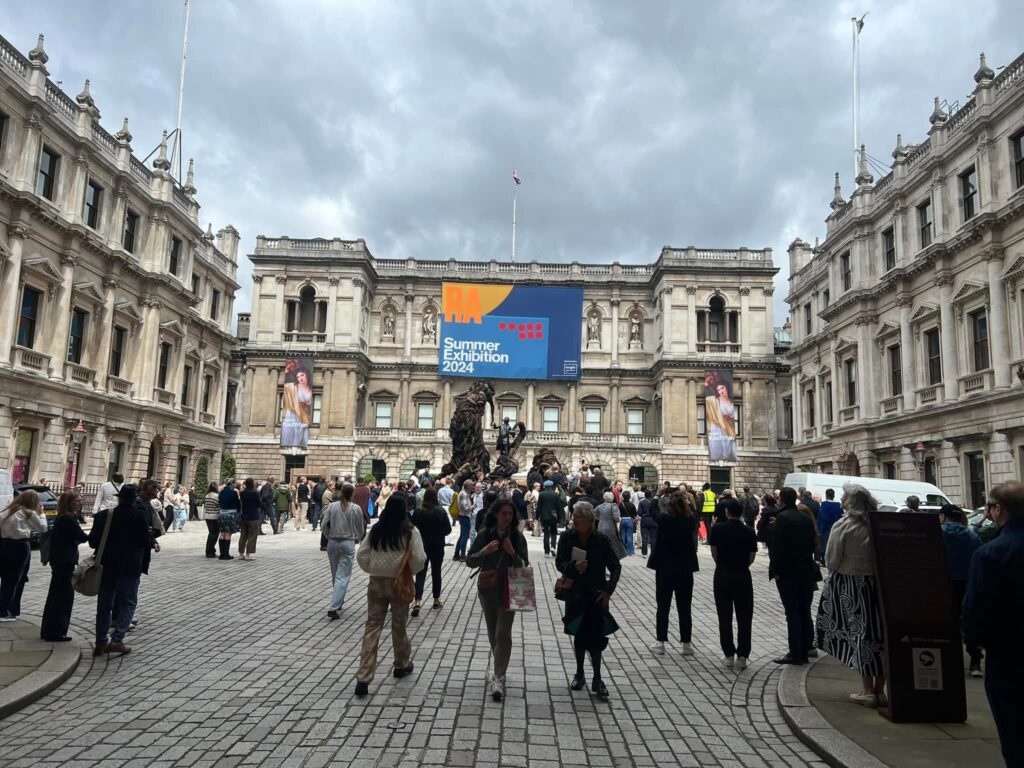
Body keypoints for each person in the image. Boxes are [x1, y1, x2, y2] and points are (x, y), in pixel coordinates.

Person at [963, 483, 1024, 767]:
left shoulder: (990, 553)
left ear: (999, 509)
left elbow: (974, 608)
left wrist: (974, 643)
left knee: (1014, 732)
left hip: (1008, 653)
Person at [815, 484, 886, 704]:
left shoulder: (843, 525)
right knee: (880, 634)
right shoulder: (878, 522)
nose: (842, 500)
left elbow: (832, 559)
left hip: (850, 584)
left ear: (851, 502)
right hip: (878, 584)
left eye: (844, 496)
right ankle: (880, 690)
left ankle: (867, 690)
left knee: (858, 633)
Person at [354, 495, 426, 697]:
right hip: (399, 583)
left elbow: (362, 555)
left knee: (372, 626)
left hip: (377, 582)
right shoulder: (410, 532)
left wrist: (373, 568)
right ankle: (401, 663)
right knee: (399, 625)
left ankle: (364, 676)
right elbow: (419, 559)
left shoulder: (377, 529)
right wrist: (408, 572)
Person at [555, 501, 621, 700]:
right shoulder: (567, 537)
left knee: (596, 636)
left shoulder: (600, 539)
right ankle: (579, 673)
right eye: (573, 516)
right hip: (575, 593)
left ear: (588, 520)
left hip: (596, 595)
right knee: (579, 634)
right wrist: (573, 567)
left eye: (577, 517)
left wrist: (608, 590)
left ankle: (598, 678)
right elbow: (560, 562)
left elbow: (615, 566)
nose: (573, 520)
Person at [466, 499, 529, 702]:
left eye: (510, 514)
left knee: (503, 633)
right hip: (488, 589)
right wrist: (484, 551)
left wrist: (512, 552)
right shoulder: (485, 534)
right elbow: (470, 560)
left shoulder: (517, 537)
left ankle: (498, 677)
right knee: (493, 631)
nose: (507, 517)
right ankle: (499, 665)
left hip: (511, 588)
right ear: (496, 514)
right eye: (504, 513)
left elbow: (524, 565)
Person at [91, 485, 152, 656]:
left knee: (104, 604)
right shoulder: (139, 516)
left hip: (107, 565)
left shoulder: (104, 516)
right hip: (130, 566)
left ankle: (100, 642)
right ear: (133, 499)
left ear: (119, 498)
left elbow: (93, 541)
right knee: (128, 602)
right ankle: (117, 639)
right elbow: (144, 541)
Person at [769, 487, 819, 665]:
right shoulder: (805, 518)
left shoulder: (782, 518)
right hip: (806, 570)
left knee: (792, 612)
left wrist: (776, 571)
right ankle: (805, 649)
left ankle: (795, 653)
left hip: (788, 572)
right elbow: (812, 544)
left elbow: (777, 548)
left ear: (781, 500)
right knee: (804, 610)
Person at [648, 491, 699, 656]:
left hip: (665, 567)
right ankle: (686, 644)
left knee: (663, 606)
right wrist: (688, 503)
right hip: (685, 568)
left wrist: (657, 496)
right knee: (685, 606)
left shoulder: (664, 519)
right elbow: (695, 513)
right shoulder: (690, 520)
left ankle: (660, 642)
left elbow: (652, 510)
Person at [709, 495, 757, 668]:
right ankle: (743, 655)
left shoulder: (718, 529)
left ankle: (728, 653)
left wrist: (722, 564)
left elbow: (714, 552)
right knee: (745, 616)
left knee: (724, 615)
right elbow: (752, 557)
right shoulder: (749, 531)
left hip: (723, 573)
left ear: (727, 512)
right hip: (742, 574)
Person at [938, 505, 983, 677]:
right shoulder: (972, 536)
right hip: (967, 583)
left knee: (947, 622)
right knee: (969, 621)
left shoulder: (938, 533)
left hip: (945, 583)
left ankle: (950, 660)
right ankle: (975, 661)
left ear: (943, 516)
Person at [40, 491, 89, 641]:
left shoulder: (63, 518)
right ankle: (56, 631)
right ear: (69, 503)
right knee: (63, 597)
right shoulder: (68, 519)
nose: (80, 503)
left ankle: (50, 630)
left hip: (60, 560)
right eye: (77, 501)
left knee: (56, 595)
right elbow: (82, 537)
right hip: (65, 561)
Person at [0, 491, 47, 622]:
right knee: (15, 579)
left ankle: (6, 609)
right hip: (20, 546)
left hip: (4, 544)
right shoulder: (28, 513)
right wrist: (42, 514)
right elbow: (43, 528)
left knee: (6, 577)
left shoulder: (7, 511)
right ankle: (4, 611)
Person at [323, 484, 366, 619]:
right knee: (343, 575)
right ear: (352, 494)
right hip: (347, 542)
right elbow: (360, 527)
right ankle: (334, 605)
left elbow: (324, 524)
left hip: (333, 541)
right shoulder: (355, 508)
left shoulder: (332, 506)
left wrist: (329, 536)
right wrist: (359, 537)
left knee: (335, 573)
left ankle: (338, 601)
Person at [411, 487, 451, 617]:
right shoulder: (441, 511)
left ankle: (418, 600)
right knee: (436, 571)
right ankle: (436, 600)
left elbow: (412, 528)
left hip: (422, 545)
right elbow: (448, 530)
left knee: (420, 572)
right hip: (437, 545)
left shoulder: (418, 511)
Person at [595, 492, 627, 560]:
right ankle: (614, 559)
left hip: (600, 527)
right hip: (610, 527)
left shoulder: (600, 506)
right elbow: (616, 518)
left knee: (602, 544)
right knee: (613, 543)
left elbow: (594, 514)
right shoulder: (613, 506)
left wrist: (600, 519)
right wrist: (617, 519)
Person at [536, 481, 563, 557]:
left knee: (546, 533)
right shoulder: (555, 494)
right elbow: (558, 507)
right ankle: (553, 547)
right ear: (552, 486)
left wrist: (537, 516)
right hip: (553, 517)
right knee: (554, 532)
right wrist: (559, 517)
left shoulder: (541, 494)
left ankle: (546, 552)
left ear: (545, 486)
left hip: (544, 516)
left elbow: (539, 506)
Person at [817, 489, 842, 565]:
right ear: (833, 495)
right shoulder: (838, 505)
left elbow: (821, 517)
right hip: (836, 528)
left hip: (825, 528)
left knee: (824, 545)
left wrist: (819, 528)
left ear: (826, 495)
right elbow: (841, 517)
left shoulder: (823, 505)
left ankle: (824, 560)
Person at [217, 480, 241, 560]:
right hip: (230, 514)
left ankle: (221, 554)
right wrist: (238, 511)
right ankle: (226, 554)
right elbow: (238, 504)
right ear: (232, 485)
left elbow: (219, 502)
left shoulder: (221, 493)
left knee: (222, 533)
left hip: (221, 514)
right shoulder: (233, 493)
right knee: (228, 534)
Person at [238, 478, 261, 560]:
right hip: (253, 516)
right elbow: (259, 504)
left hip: (244, 516)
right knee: (252, 535)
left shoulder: (242, 493)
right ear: (252, 484)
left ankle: (241, 553)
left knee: (243, 535)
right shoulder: (255, 493)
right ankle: (248, 554)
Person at [453, 479, 474, 561]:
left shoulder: (463, 493)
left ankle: (456, 554)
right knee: (465, 536)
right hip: (465, 517)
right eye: (471, 485)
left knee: (462, 536)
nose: (473, 486)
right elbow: (465, 507)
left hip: (463, 517)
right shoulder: (464, 494)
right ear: (468, 486)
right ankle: (462, 556)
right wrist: (473, 507)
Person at [202, 483, 221, 558]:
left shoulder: (207, 495)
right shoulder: (216, 496)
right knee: (214, 534)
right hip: (214, 516)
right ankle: (210, 551)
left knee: (211, 533)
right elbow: (219, 505)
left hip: (208, 516)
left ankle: (209, 550)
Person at [638, 489, 659, 557]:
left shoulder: (642, 502)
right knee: (653, 538)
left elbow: (639, 513)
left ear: (645, 494)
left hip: (644, 521)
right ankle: (653, 552)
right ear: (651, 494)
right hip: (654, 521)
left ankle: (644, 553)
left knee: (644, 537)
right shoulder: (655, 502)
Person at [619, 490, 636, 556]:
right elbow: (634, 514)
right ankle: (629, 551)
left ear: (623, 496)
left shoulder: (620, 504)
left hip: (622, 520)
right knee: (629, 536)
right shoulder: (632, 505)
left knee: (622, 535)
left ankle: (623, 550)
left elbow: (619, 513)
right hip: (629, 520)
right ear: (629, 497)